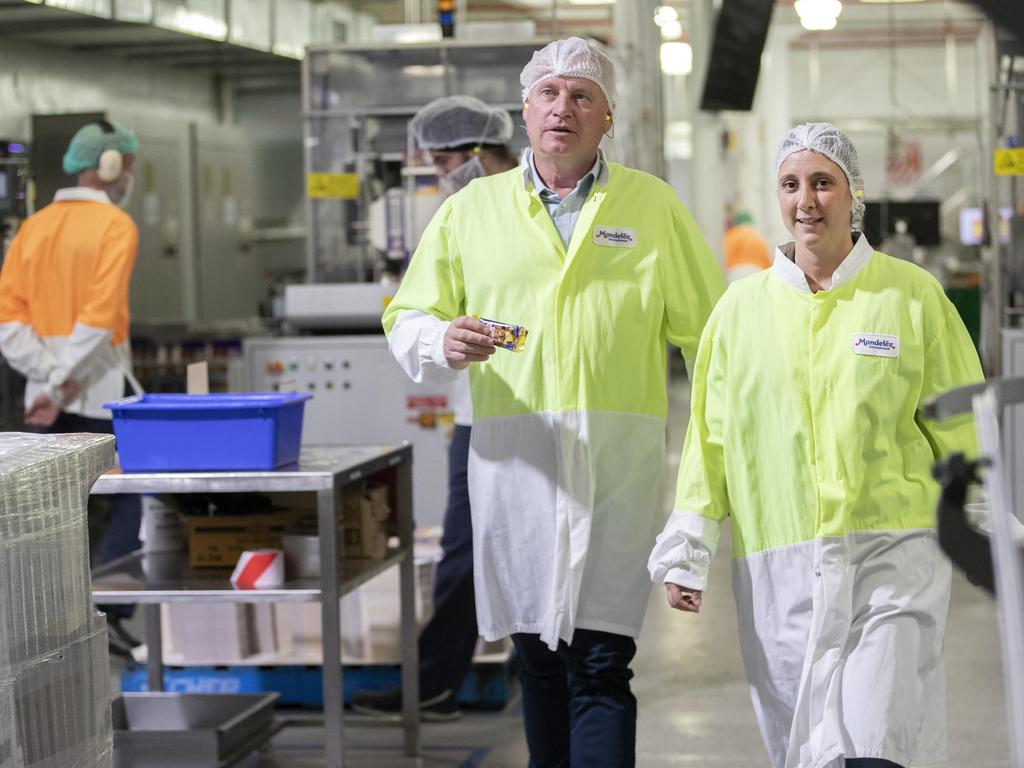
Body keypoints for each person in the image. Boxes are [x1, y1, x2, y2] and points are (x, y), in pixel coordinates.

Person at [382, 37, 723, 766]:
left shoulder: (651, 206)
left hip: (616, 466)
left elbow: (712, 340)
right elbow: (407, 317)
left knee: (602, 663)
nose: (561, 108)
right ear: (525, 111)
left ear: (607, 119)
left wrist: (720, 455)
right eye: (548, 94)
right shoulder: (473, 209)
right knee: (536, 660)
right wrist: (444, 340)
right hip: (518, 465)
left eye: (581, 97)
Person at [649, 123, 984, 768]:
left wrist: (984, 526)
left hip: (896, 552)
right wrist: (689, 546)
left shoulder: (911, 296)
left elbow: (959, 426)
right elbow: (710, 441)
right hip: (781, 565)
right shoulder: (738, 313)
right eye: (791, 184)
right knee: (809, 750)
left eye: (822, 182)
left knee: (875, 740)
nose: (807, 200)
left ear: (852, 193)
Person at [352, 95, 518, 721]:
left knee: (487, 548)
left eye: (448, 159)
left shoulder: (537, 209)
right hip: (478, 406)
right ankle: (440, 679)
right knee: (466, 547)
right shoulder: (461, 214)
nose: (443, 172)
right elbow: (419, 308)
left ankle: (442, 681)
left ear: (481, 150)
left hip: (536, 410)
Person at [0, 119, 143, 654]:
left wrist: (43, 380)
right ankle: (111, 611)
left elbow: (8, 319)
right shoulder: (116, 227)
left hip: (42, 397)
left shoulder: (31, 227)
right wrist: (62, 383)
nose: (128, 176)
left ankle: (49, 619)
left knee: (47, 511)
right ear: (108, 167)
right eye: (127, 166)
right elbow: (99, 319)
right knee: (132, 497)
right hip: (96, 389)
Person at [723, 207, 771, 282]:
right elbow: (766, 259)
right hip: (757, 271)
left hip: (736, 271)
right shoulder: (758, 236)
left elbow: (727, 254)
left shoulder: (732, 234)